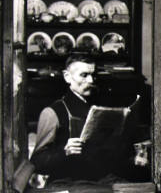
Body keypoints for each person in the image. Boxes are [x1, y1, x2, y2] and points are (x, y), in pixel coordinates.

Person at [30, 54, 146, 183]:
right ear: (67, 77)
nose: (91, 81)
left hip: (103, 179)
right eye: (84, 75)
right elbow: (37, 162)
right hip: (69, 183)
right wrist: (64, 152)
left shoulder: (101, 106)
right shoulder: (53, 112)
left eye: (93, 75)